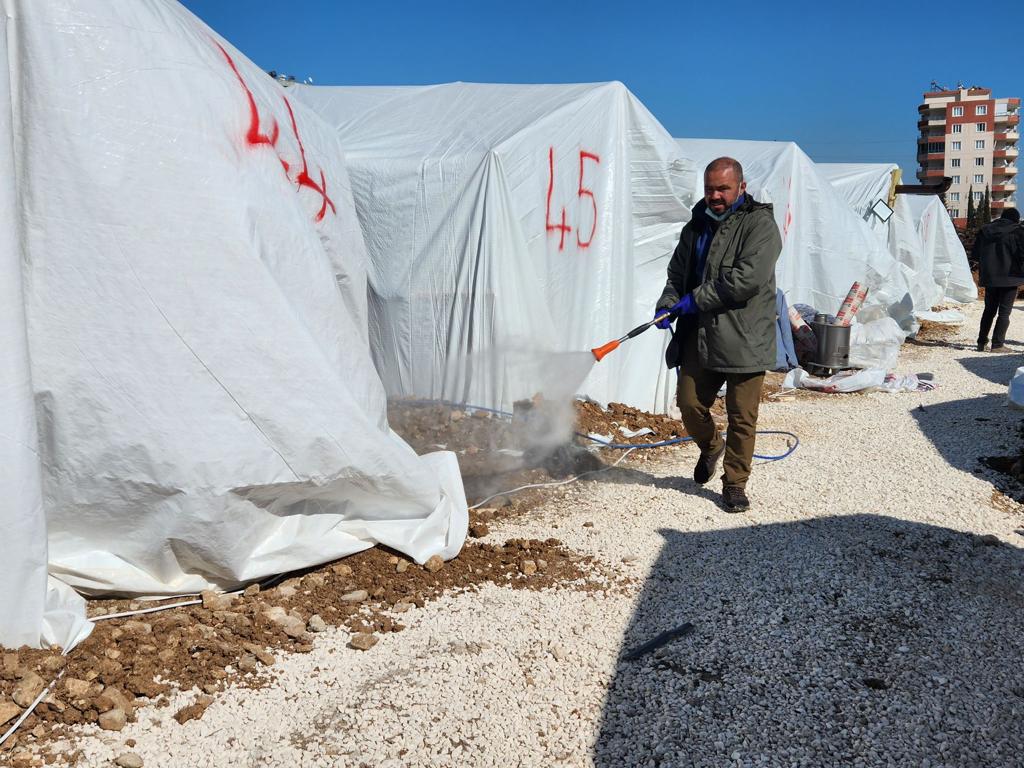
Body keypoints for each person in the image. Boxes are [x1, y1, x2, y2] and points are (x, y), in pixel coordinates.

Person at [655, 157, 782, 512]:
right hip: (701, 334)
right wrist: (667, 303)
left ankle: (735, 483)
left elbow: (746, 279)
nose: (715, 195)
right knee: (689, 403)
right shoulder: (695, 226)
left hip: (744, 337)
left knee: (742, 416)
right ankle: (711, 446)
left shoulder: (760, 225)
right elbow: (677, 274)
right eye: (710, 188)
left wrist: (694, 300)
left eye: (723, 188)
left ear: (741, 187)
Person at [974, 207, 1024, 352]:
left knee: (989, 310)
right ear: (1015, 219)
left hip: (990, 276)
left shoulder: (985, 231)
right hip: (1010, 277)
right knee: (1004, 312)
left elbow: (976, 254)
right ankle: (997, 345)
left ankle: (981, 342)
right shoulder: (1018, 231)